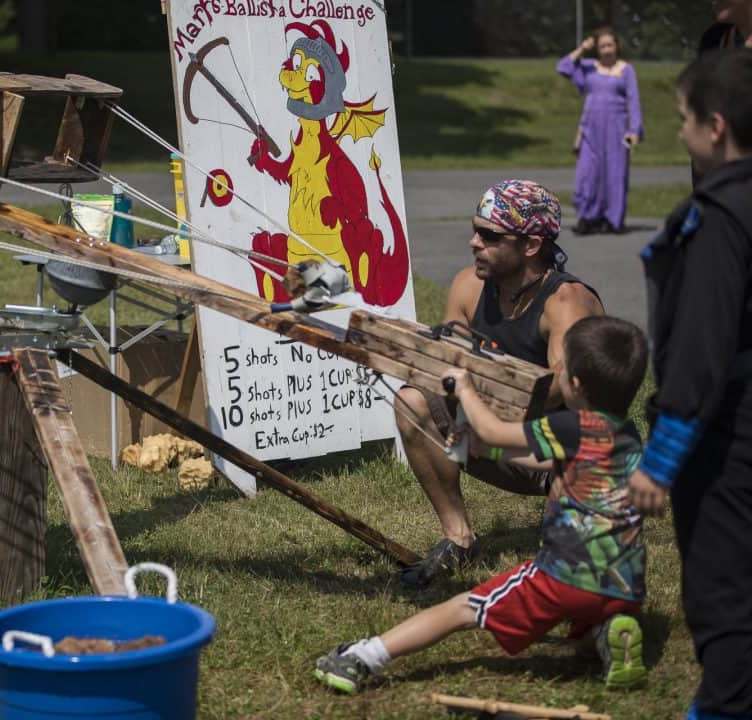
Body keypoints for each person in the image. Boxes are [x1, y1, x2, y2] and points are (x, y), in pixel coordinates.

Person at [316, 316, 650, 694]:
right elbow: (544, 459)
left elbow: (494, 429)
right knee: (580, 639)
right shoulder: (625, 434)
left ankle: (363, 656)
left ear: (575, 385)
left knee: (464, 608)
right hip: (625, 582)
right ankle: (610, 632)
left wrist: (466, 389)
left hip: (566, 576)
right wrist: (479, 447)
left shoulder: (570, 426)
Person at [394, 180, 604, 588]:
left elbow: (563, 388)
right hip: (487, 439)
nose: (475, 242)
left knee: (566, 575)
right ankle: (459, 538)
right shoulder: (467, 287)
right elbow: (445, 362)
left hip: (558, 454)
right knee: (412, 402)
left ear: (530, 245)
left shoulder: (567, 302)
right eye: (475, 231)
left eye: (489, 235)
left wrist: (481, 404)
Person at [627, 49, 752, 720]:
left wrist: (663, 458)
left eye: (682, 119)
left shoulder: (718, 217)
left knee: (722, 588)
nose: (677, 132)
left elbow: (704, 345)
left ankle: (725, 706)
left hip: (729, 437)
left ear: (715, 125)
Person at [557, 28, 643, 235]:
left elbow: (634, 102)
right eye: (602, 46)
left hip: (617, 130)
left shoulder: (626, 70)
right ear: (597, 48)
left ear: (617, 47)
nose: (606, 50)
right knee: (587, 174)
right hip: (590, 129)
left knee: (615, 174)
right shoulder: (589, 68)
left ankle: (612, 219)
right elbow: (563, 66)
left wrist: (634, 130)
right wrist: (582, 48)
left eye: (610, 45)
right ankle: (587, 217)